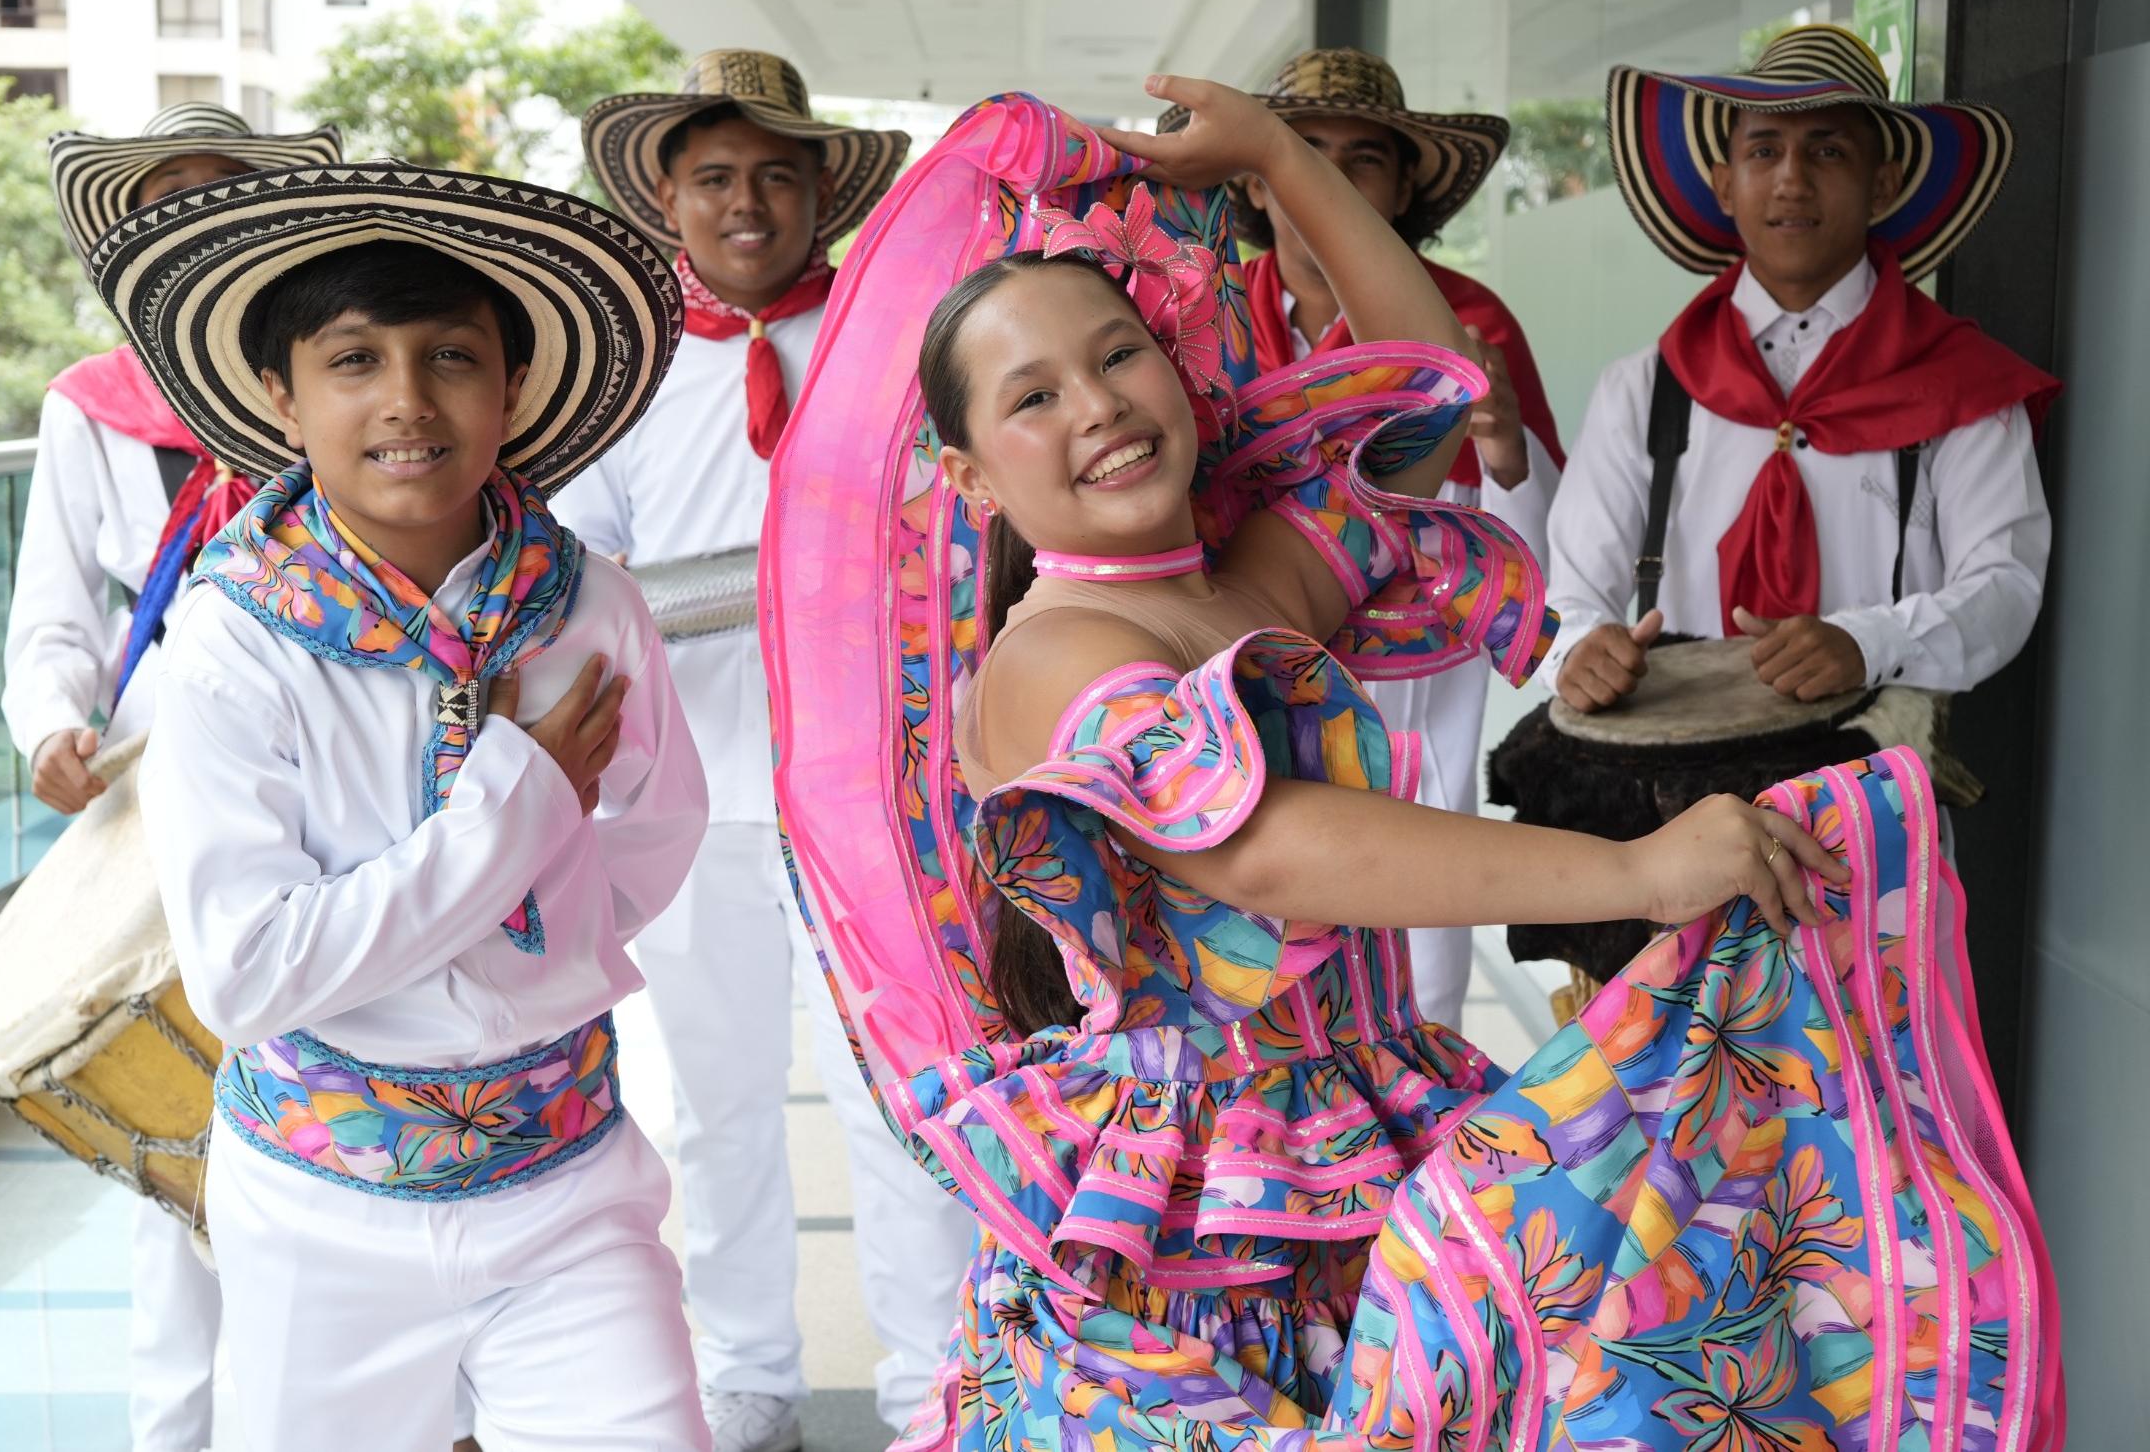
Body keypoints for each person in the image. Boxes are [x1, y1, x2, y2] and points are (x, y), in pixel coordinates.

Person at [764, 76, 2058, 1448]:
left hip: (1359, 1127)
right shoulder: (1051, 660)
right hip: (1202, 1226)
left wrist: (1274, 159)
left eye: (1117, 354)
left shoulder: (1243, 580)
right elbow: (1259, 843)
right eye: (1031, 396)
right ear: (969, 481)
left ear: (1177, 368)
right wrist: (1631, 868)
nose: (1095, 404)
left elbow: (1428, 401)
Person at [101, 162, 710, 1450]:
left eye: (449, 355)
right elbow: (249, 975)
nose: (406, 402)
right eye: (353, 360)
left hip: (568, 1174)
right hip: (323, 1205)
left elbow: (653, 837)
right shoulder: (231, 639)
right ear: (282, 394)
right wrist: (520, 801)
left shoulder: (586, 604)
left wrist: (497, 961)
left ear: (512, 387)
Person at [573, 49, 967, 1450]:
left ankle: (933, 1381)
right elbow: (593, 584)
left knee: (895, 1095)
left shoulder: (898, 346)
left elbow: (954, 534)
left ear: (819, 196)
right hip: (687, 796)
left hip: (874, 797)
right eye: (715, 177)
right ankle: (745, 1374)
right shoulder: (621, 372)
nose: (746, 203)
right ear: (669, 198)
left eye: (775, 176)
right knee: (715, 1105)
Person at [8, 100, 338, 1452]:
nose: (189, 220)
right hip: (159, 793)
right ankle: (177, 1434)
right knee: (177, 1156)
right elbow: (51, 618)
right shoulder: (92, 408)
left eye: (217, 195)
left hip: (332, 781)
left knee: (336, 1115)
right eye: (164, 200)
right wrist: (49, 728)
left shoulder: (331, 377)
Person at [1202, 46, 1566, 1031]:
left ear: (1403, 185)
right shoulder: (1203, 318)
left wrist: (1495, 435)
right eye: (1299, 154)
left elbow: (1532, 553)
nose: (1321, 183)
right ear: (1252, 177)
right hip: (1240, 678)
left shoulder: (1466, 323)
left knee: (1412, 985)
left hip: (1408, 691)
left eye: (1356, 161)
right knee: (1244, 975)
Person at [1544, 26, 2059, 718]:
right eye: (1763, 150)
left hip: (1873, 795)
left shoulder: (1961, 386)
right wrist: (1576, 648)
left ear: (1882, 185)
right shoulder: (1641, 389)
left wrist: (1868, 641)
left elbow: (2004, 587)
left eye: (1827, 150)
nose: (1791, 178)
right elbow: (1568, 595)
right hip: (1669, 806)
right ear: (1725, 186)